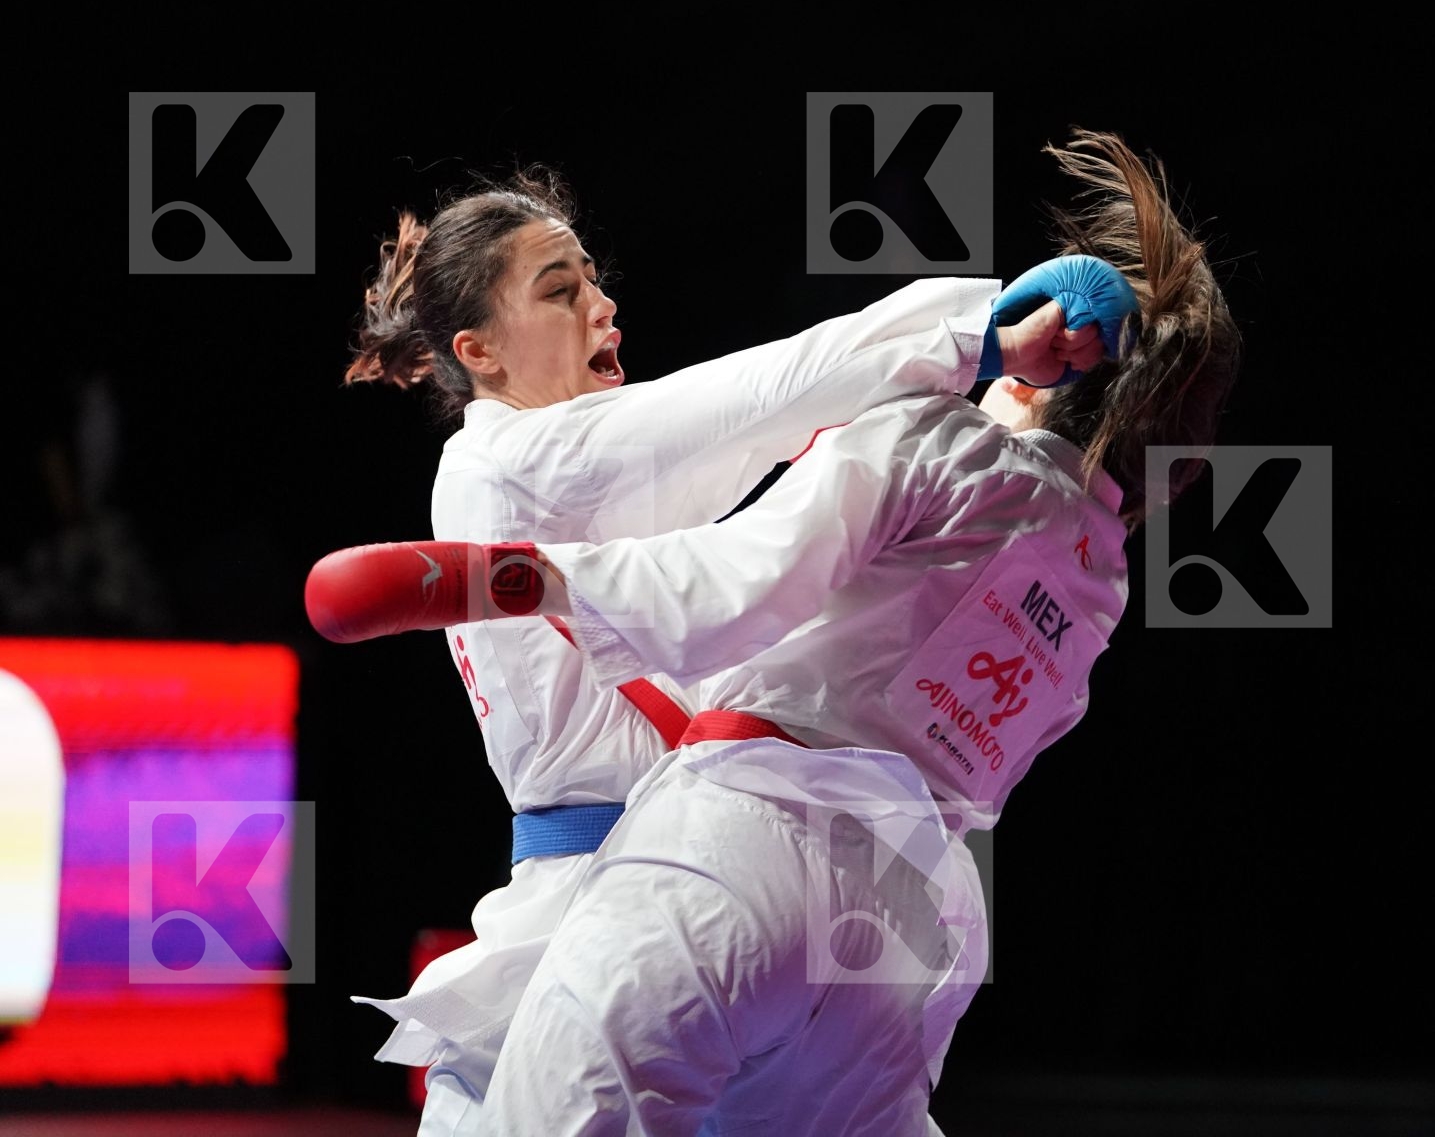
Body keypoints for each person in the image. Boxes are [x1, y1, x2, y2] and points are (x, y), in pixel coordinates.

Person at [310, 131, 1242, 1134]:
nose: (602, 304)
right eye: (559, 290)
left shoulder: (644, 474)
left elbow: (760, 515)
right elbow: (773, 401)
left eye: (594, 280)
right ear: (477, 354)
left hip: (723, 863)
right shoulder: (508, 460)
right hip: (850, 901)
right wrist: (981, 334)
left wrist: (983, 357)